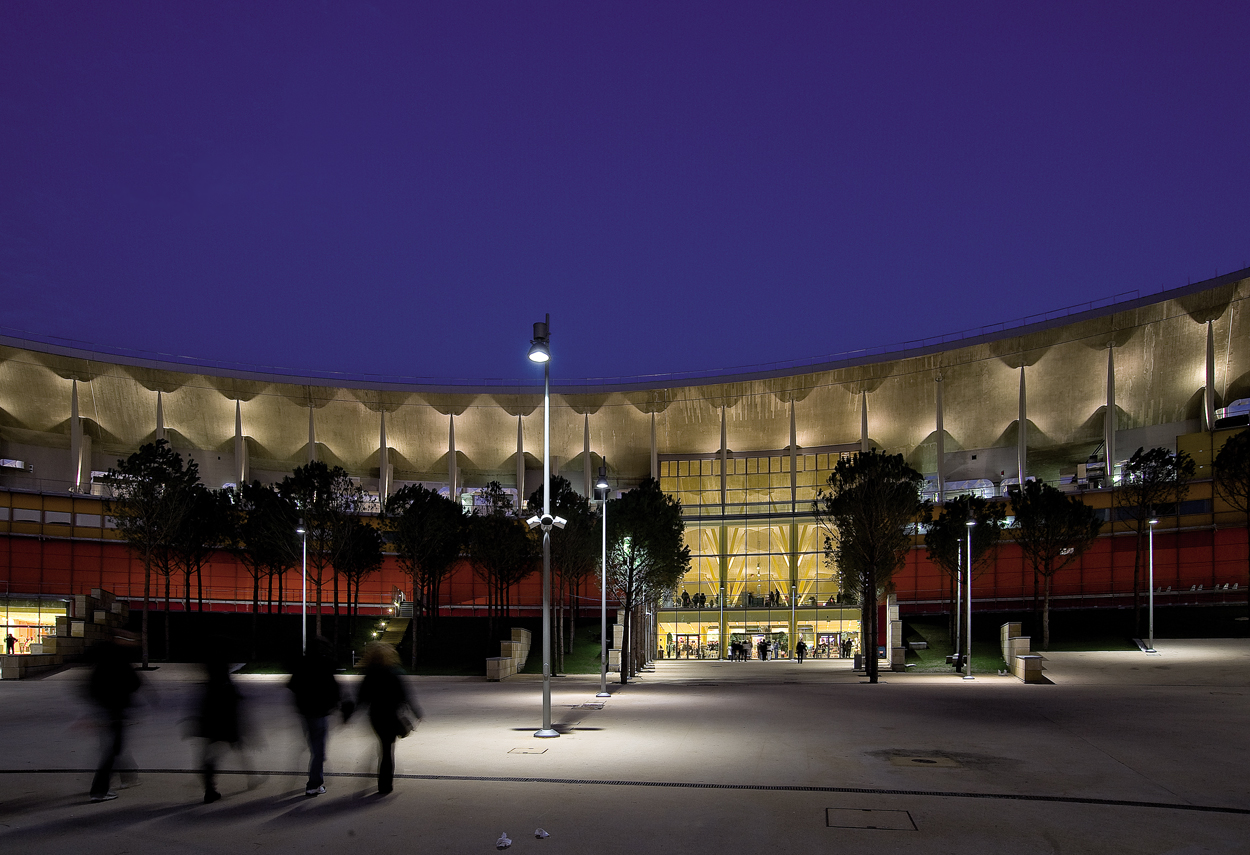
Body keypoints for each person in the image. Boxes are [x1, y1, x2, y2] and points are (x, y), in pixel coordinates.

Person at [353, 642, 419, 795]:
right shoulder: (393, 673)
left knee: (384, 746)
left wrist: (349, 715)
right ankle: (385, 785)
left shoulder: (369, 674)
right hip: (390, 715)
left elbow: (362, 698)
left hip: (375, 716)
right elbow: (404, 695)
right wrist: (416, 712)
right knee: (387, 750)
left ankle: (382, 780)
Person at [87, 632, 142, 803]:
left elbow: (90, 688)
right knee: (113, 749)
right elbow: (135, 683)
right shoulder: (120, 661)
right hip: (116, 710)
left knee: (112, 747)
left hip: (104, 710)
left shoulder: (101, 663)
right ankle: (99, 790)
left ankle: (128, 778)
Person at [288, 636, 342, 797]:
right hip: (319, 711)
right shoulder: (325, 664)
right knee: (318, 749)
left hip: (306, 711)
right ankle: (314, 784)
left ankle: (316, 774)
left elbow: (292, 685)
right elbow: (334, 688)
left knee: (315, 745)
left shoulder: (303, 663)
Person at [197, 643, 245, 804]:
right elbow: (230, 698)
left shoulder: (211, 678)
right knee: (234, 746)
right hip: (222, 719)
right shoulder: (222, 680)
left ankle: (209, 787)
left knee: (210, 753)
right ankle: (252, 778)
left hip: (210, 718)